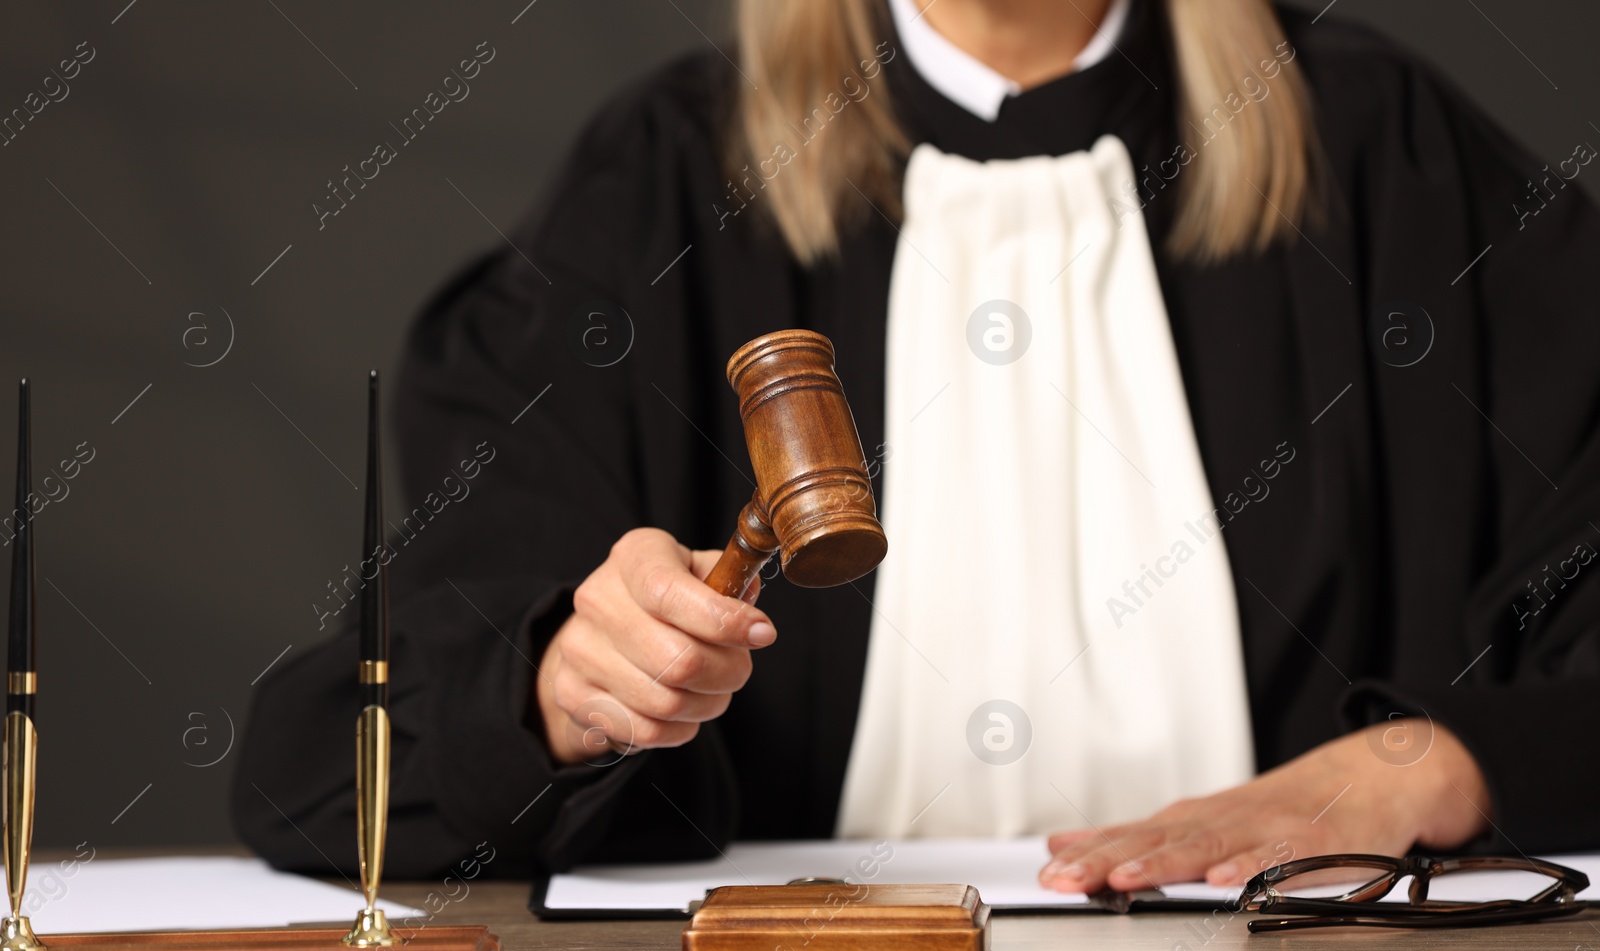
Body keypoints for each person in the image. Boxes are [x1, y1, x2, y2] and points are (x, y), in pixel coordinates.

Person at [234, 0, 1600, 895]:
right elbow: (333, 751)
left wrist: (1449, 762)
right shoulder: (665, 188)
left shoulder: (1381, 154)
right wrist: (559, 695)